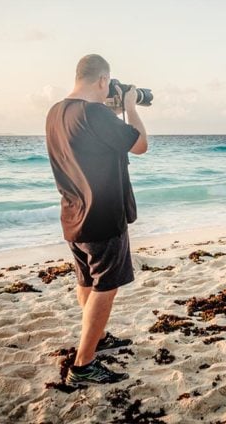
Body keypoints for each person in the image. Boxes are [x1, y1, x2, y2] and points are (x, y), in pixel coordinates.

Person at [45, 54, 148, 385]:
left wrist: (113, 111)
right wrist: (130, 105)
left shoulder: (55, 113)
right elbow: (140, 144)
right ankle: (84, 365)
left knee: (86, 281)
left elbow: (94, 147)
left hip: (73, 215)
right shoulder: (95, 113)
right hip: (103, 215)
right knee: (106, 286)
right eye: (109, 85)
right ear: (103, 80)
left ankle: (97, 338)